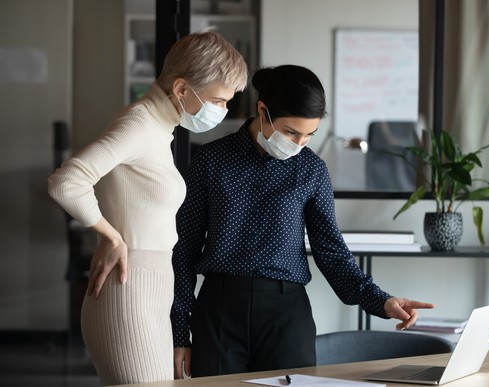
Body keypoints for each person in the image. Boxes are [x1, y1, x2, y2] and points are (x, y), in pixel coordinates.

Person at [171, 64, 435, 378]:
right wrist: (179, 334)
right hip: (219, 310)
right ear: (262, 110)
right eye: (290, 132)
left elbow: (332, 253)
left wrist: (381, 300)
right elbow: (183, 251)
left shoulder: (311, 170)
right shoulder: (209, 161)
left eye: (308, 135)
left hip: (286, 315)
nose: (298, 144)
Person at [47, 30, 248, 385]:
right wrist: (110, 237)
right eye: (219, 100)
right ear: (182, 89)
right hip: (128, 288)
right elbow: (67, 182)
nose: (223, 110)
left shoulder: (159, 127)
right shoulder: (139, 123)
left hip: (150, 287)